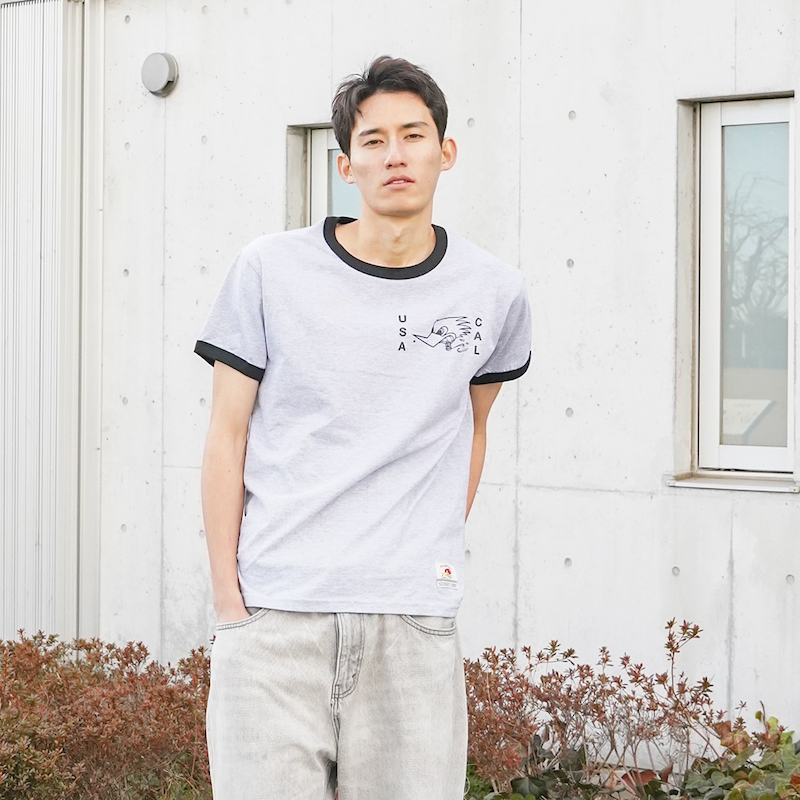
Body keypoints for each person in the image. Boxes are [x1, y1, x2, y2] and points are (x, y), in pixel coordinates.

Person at [194, 54, 532, 800]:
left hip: (412, 623)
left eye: (413, 135)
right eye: (373, 140)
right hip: (277, 618)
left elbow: (470, 432)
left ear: (445, 151)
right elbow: (227, 435)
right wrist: (230, 604)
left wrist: (423, 551)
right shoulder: (269, 271)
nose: (394, 154)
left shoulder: (495, 292)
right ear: (346, 165)